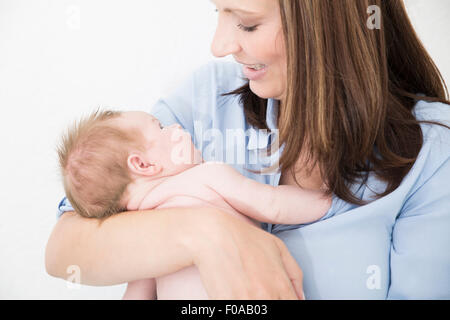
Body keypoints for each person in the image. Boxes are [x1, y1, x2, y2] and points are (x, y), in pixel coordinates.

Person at [46, 0, 450, 299]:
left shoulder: (431, 150)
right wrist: (208, 234)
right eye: (218, 12)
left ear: (325, 25)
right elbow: (64, 249)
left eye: (247, 24)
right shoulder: (205, 99)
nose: (219, 45)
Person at [57, 109, 331, 299]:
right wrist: (328, 199)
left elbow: (136, 296)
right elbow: (273, 205)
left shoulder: (145, 239)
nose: (176, 126)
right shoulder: (207, 176)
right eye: (161, 127)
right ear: (143, 164)